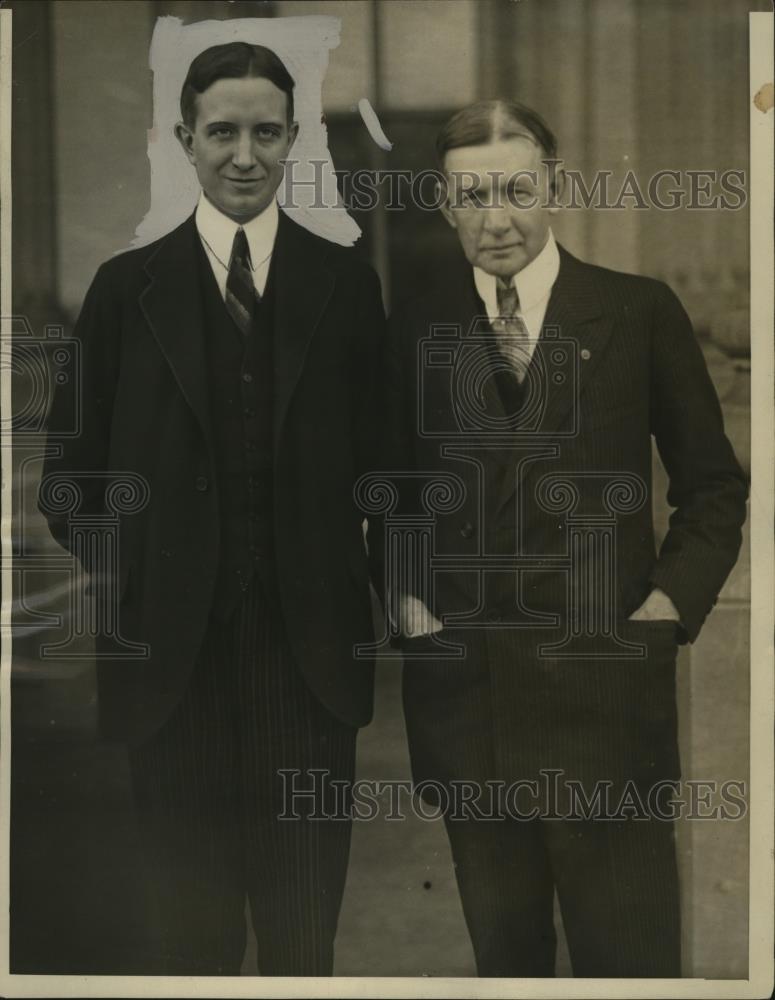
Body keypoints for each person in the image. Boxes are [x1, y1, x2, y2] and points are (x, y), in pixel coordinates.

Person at [39, 42, 385, 976]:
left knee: (300, 941)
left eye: (266, 132)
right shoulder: (125, 290)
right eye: (222, 132)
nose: (244, 155)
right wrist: (149, 580)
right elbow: (68, 483)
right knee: (189, 949)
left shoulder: (344, 284)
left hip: (306, 670)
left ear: (295, 141)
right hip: (170, 681)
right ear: (182, 141)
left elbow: (389, 469)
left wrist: (366, 583)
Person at [380, 99, 748, 977]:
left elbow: (712, 488)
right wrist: (410, 606)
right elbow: (392, 497)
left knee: (631, 969)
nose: (495, 218)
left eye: (515, 190)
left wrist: (662, 612)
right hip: (474, 715)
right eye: (471, 197)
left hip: (605, 709)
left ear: (555, 188)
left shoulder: (637, 312)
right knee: (507, 970)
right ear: (443, 204)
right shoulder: (415, 333)